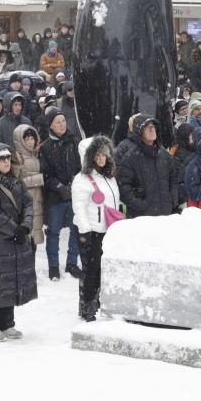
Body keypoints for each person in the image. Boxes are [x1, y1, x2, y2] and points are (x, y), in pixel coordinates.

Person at [0, 142, 37, 340]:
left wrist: (25, 226)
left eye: (8, 158)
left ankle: (7, 322)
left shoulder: (16, 180)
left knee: (11, 280)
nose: (6, 162)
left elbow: (29, 203)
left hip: (14, 239)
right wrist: (15, 229)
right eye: (1, 158)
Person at [72, 136, 121, 322]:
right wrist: (85, 232)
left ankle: (98, 302)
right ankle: (87, 306)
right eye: (97, 154)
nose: (102, 158)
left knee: (101, 269)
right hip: (90, 231)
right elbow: (79, 208)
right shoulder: (82, 180)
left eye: (104, 154)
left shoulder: (108, 176)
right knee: (90, 270)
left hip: (107, 230)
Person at [39, 109, 82, 281]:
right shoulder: (46, 147)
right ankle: (53, 266)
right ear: (51, 125)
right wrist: (58, 186)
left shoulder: (74, 142)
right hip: (54, 197)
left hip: (74, 194)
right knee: (54, 232)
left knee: (75, 230)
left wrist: (73, 183)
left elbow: (80, 167)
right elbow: (45, 173)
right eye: (58, 122)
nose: (62, 124)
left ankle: (72, 262)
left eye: (63, 120)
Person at [117, 114, 179, 218]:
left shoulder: (164, 154)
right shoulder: (130, 158)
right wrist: (140, 205)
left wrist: (172, 200)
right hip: (142, 218)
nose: (152, 129)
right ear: (139, 132)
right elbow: (123, 187)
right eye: (147, 127)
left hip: (166, 214)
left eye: (153, 126)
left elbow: (173, 178)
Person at [11, 124, 44, 250]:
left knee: (33, 238)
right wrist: (39, 179)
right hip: (25, 202)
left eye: (32, 139)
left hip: (37, 201)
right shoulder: (17, 157)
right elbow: (17, 182)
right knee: (26, 236)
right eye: (27, 139)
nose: (30, 142)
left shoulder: (35, 154)